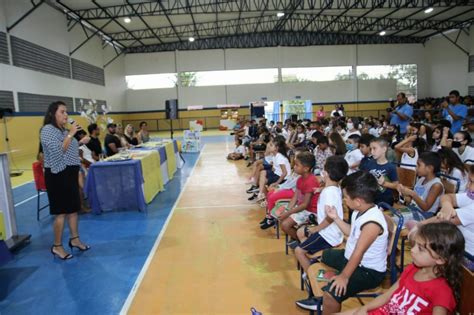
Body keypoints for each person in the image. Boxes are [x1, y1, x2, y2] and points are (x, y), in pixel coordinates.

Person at [296, 171, 388, 313]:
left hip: (367, 271)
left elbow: (359, 252)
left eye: (345, 197)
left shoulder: (372, 223)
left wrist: (344, 277)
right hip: (350, 256)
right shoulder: (360, 210)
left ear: (357, 201)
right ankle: (318, 296)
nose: (344, 200)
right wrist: (336, 218)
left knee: (331, 295)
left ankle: (325, 301)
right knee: (321, 256)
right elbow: (352, 232)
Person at [343, 222, 463, 315]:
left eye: (420, 248)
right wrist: (365, 308)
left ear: (441, 259)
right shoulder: (412, 268)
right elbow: (387, 296)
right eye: (415, 245)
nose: (413, 250)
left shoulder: (442, 292)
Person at [40, 101, 90, 260]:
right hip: (56, 175)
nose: (66, 115)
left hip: (70, 173)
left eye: (66, 112)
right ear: (52, 114)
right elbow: (58, 149)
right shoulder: (47, 130)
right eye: (62, 112)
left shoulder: (64, 130)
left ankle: (75, 240)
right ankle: (57, 246)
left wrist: (79, 140)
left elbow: (71, 149)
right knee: (61, 212)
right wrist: (71, 134)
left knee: (73, 209)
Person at [294, 156, 348, 273]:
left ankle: (310, 275)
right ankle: (315, 257)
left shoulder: (329, 193)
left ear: (327, 173)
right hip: (331, 231)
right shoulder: (334, 187)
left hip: (328, 235)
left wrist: (316, 229)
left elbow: (330, 217)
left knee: (298, 251)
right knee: (300, 232)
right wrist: (321, 189)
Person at [280, 152, 321, 246]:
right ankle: (298, 238)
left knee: (285, 225)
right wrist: (287, 210)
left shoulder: (311, 181)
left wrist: (288, 213)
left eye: (297, 165)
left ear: (306, 168)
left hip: (311, 211)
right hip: (303, 208)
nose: (294, 167)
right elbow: (295, 197)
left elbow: (305, 204)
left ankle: (302, 241)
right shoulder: (300, 179)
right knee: (281, 216)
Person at [397, 152, 444, 218]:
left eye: (419, 165)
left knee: (395, 221)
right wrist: (403, 192)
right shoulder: (421, 179)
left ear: (430, 168)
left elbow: (426, 208)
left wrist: (412, 193)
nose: (416, 167)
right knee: (391, 215)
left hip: (424, 215)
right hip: (413, 209)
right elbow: (412, 201)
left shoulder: (436, 185)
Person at [361, 137, 399, 206]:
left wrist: (384, 183)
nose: (372, 152)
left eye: (374, 148)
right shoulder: (369, 164)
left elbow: (396, 185)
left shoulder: (391, 167)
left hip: (385, 200)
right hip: (371, 198)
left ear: (384, 149)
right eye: (370, 149)